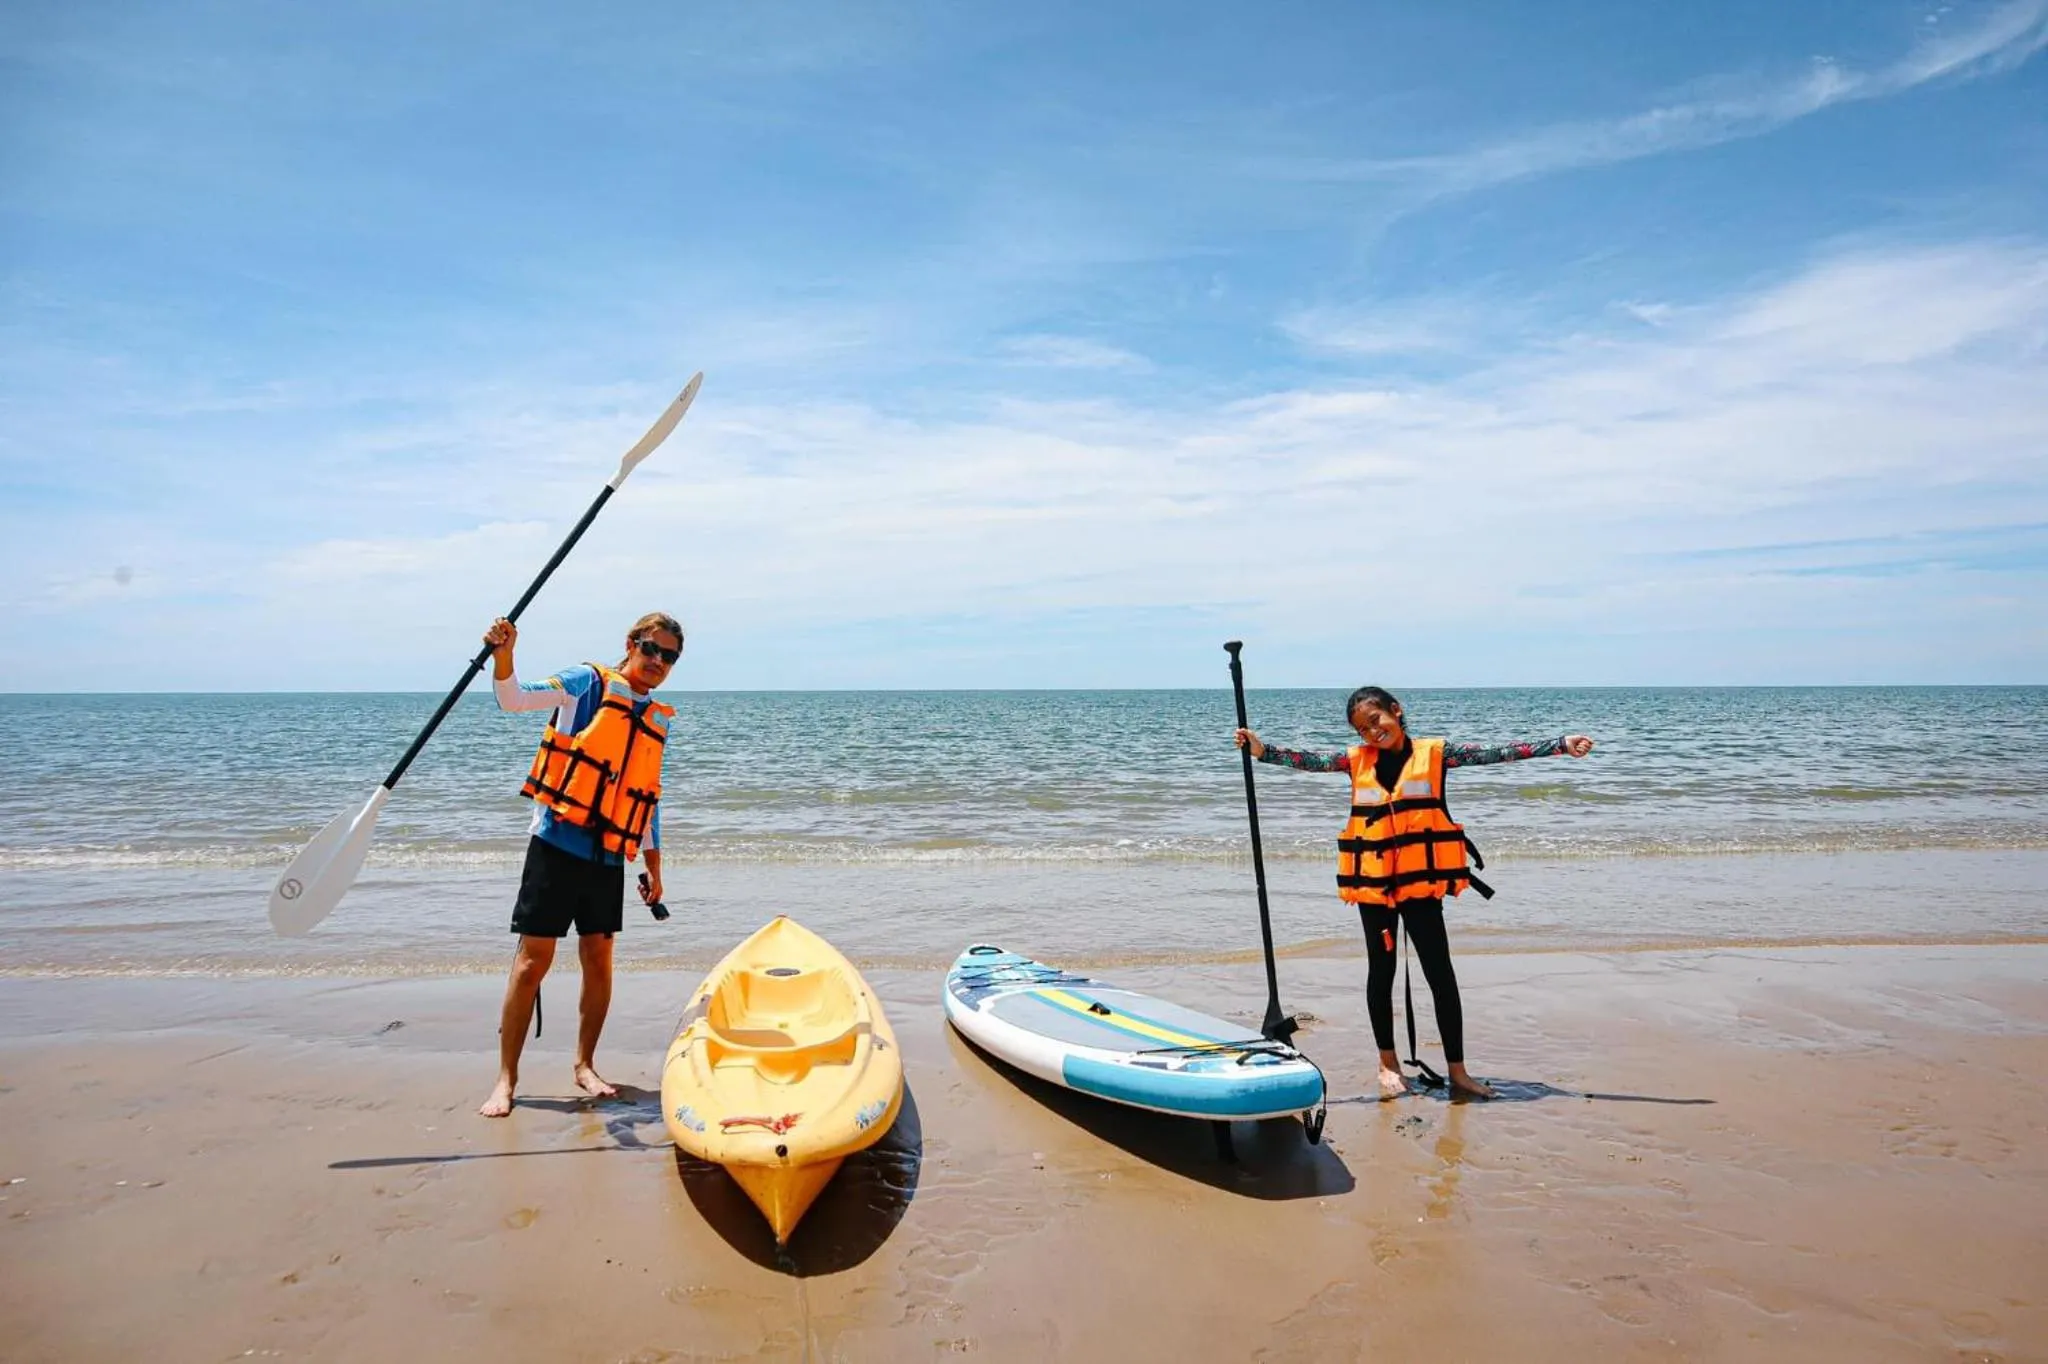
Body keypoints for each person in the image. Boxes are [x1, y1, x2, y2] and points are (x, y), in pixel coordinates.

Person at [1235, 686, 1594, 1100]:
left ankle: (1458, 1072)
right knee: (1381, 973)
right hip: (1375, 890)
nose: (1372, 733)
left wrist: (1561, 746)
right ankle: (1387, 1064)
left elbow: (1500, 751)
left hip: (1421, 886)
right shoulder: (1356, 762)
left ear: (1395, 711)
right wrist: (1263, 751)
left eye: (1376, 721)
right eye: (1362, 729)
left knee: (1440, 974)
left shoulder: (1436, 755)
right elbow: (1309, 761)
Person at [477, 612, 683, 1118]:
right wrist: (504, 655)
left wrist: (656, 870)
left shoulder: (654, 717)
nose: (657, 661)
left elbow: (646, 801)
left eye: (669, 656)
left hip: (608, 855)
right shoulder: (586, 682)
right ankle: (506, 1079)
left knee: (598, 960)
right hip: (555, 844)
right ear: (631, 643)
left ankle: (585, 1065)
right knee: (533, 963)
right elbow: (514, 699)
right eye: (651, 649)